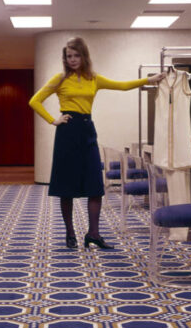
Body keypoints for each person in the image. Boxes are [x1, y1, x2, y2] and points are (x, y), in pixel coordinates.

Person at [28, 37, 163, 249]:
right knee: (66, 186)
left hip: (87, 131)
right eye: (68, 56)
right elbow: (34, 101)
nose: (72, 60)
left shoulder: (94, 79)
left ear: (84, 56)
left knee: (95, 185)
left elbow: (122, 86)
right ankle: (70, 233)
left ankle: (93, 233)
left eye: (76, 55)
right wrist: (53, 120)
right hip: (67, 132)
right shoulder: (59, 79)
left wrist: (148, 80)